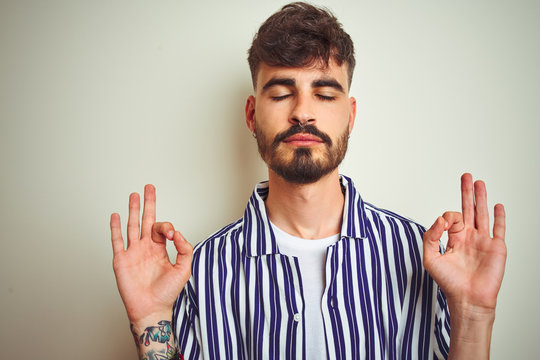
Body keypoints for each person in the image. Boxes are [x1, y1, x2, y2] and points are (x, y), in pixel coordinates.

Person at [110, 2, 507, 359]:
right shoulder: (197, 271)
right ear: (251, 115)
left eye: (325, 94)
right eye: (282, 93)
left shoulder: (425, 258)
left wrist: (473, 317)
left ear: (351, 115)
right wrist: (151, 318)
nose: (303, 112)